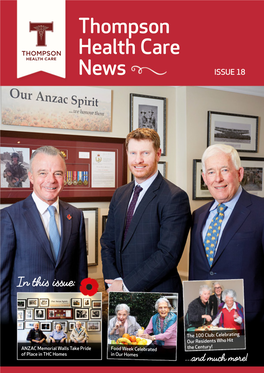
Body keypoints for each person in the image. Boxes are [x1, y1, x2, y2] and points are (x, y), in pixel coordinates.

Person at [0, 146, 88, 324]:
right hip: (24, 321)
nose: (51, 180)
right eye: (42, 173)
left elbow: (80, 275)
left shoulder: (76, 216)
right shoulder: (9, 217)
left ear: (65, 177)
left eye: (58, 173)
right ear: (31, 177)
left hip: (66, 318)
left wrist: (82, 317)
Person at [101, 128, 191, 300]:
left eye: (145, 153)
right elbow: (107, 242)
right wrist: (115, 282)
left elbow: (167, 254)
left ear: (158, 154)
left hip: (159, 296)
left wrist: (126, 286)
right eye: (133, 153)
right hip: (119, 292)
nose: (138, 160)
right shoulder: (120, 194)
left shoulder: (175, 197)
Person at [189, 144, 264, 329]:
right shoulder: (198, 215)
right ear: (204, 178)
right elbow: (197, 270)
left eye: (224, 170)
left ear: (239, 174)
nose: (218, 179)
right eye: (211, 172)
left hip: (250, 322)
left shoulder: (261, 211)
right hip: (205, 323)